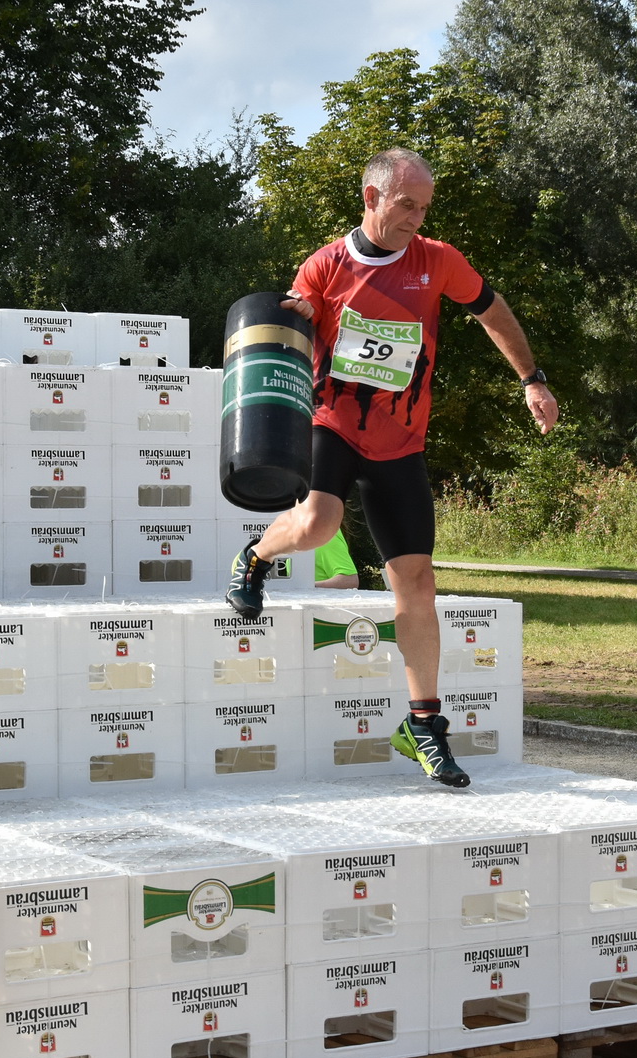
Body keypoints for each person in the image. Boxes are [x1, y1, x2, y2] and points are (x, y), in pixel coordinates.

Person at [225, 147, 559, 787]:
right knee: (319, 523)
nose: (417, 218)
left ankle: (424, 725)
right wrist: (294, 317)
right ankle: (257, 556)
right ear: (372, 198)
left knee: (417, 583)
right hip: (335, 425)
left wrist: (532, 379)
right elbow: (292, 335)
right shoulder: (324, 267)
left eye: (425, 207)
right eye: (408, 205)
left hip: (401, 442)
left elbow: (492, 311)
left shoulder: (437, 261)